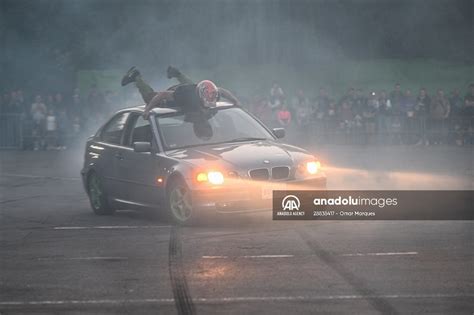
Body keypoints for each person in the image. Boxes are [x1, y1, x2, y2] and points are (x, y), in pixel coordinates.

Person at [120, 66, 241, 119]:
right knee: (150, 98)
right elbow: (162, 95)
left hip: (191, 88)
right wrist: (147, 110)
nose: (207, 108)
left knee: (191, 84)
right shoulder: (184, 95)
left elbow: (223, 91)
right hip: (177, 91)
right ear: (199, 97)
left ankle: (175, 72)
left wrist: (235, 101)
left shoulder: (212, 92)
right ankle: (136, 77)